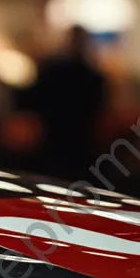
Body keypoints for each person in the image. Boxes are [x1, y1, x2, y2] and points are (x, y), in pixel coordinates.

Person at [20, 24, 107, 182]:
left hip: (53, 143)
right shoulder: (93, 76)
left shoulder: (51, 71)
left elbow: (32, 102)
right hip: (80, 144)